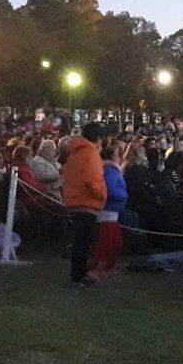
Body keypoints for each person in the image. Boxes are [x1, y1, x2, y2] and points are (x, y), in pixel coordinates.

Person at [62, 122, 107, 286]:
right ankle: (80, 276)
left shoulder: (74, 154)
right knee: (84, 243)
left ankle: (78, 274)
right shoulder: (91, 154)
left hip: (75, 200)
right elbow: (93, 180)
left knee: (79, 242)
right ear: (98, 138)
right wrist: (103, 195)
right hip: (87, 202)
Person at [87, 145, 127, 280]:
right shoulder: (110, 171)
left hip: (112, 212)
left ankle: (108, 266)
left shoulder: (110, 170)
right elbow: (109, 189)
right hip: (108, 211)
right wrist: (123, 195)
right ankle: (95, 268)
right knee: (106, 241)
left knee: (115, 241)